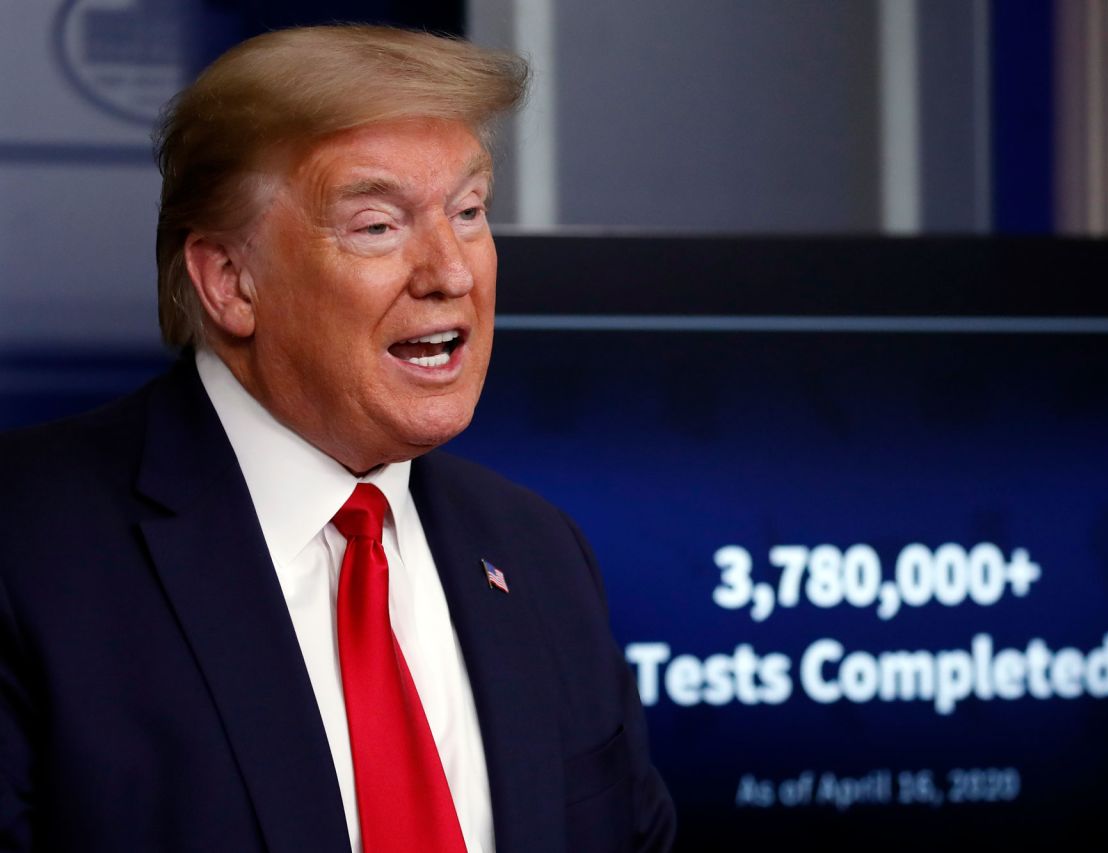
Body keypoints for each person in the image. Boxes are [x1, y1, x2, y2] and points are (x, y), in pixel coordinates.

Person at [0, 24, 675, 853]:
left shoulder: (539, 552)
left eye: (468, 211)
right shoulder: (27, 548)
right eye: (377, 226)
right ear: (230, 281)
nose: (451, 272)